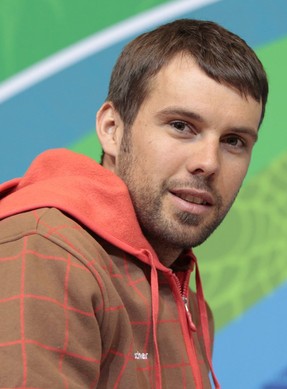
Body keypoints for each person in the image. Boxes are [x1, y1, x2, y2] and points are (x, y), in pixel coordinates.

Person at [0, 18, 268, 388]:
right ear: (112, 129)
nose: (208, 162)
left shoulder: (186, 300)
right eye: (181, 125)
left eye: (234, 141)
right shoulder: (46, 250)